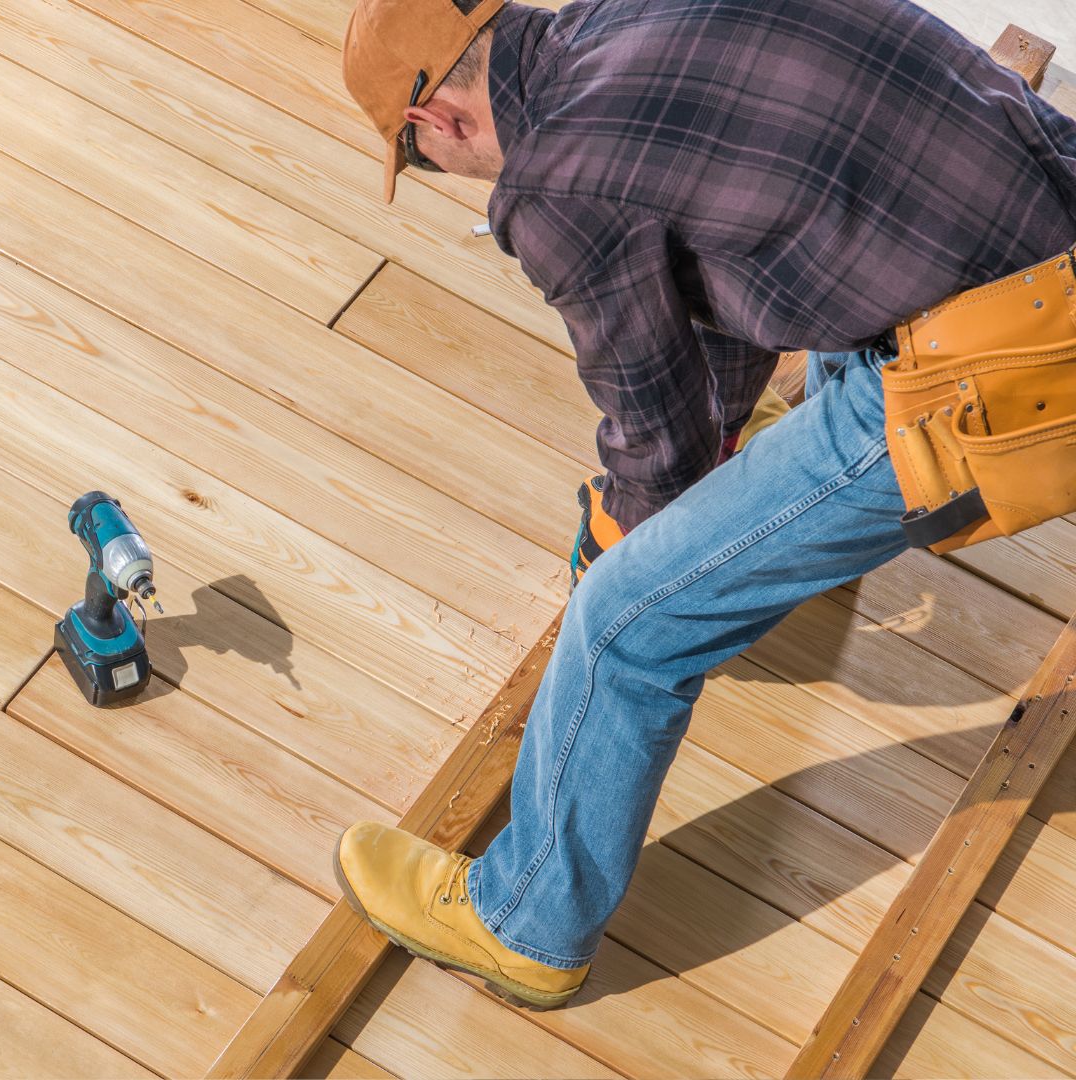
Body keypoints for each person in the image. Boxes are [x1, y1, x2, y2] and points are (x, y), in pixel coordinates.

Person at [333, 0, 1076, 1007]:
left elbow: (655, 431)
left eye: (427, 166)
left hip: (1010, 362)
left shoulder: (557, 182)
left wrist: (628, 537)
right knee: (749, 452)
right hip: (1031, 207)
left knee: (627, 626)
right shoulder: (633, 15)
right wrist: (708, 477)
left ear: (439, 126)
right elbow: (724, 283)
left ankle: (527, 924)